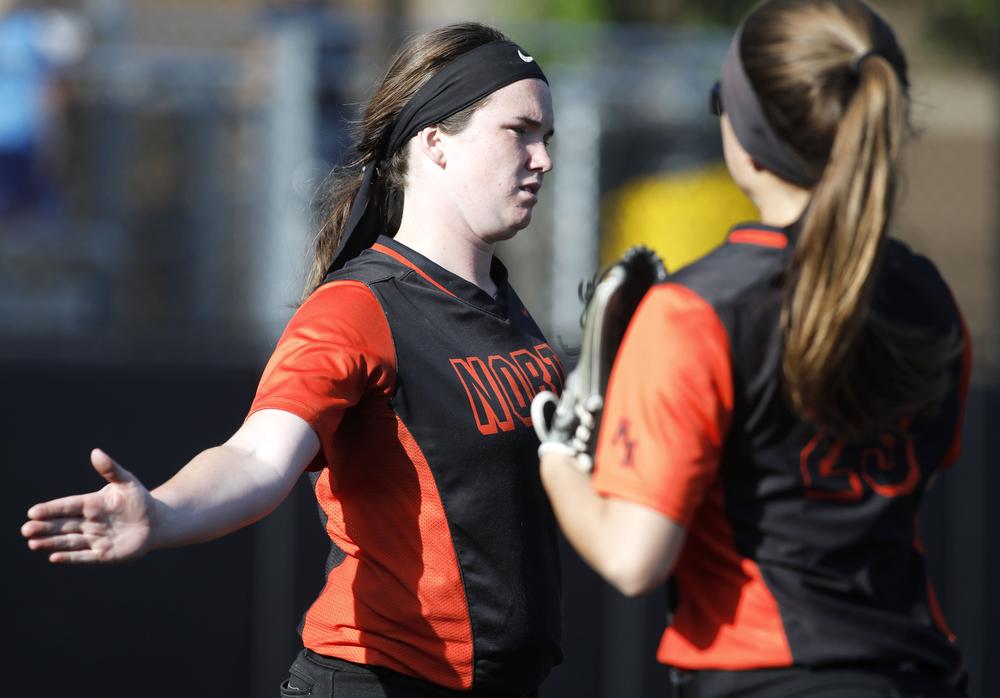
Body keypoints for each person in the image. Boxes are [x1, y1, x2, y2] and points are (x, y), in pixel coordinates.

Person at [22, 22, 563, 697]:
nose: (543, 158)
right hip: (379, 682)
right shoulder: (360, 306)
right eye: (521, 131)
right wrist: (162, 513)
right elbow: (255, 457)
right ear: (435, 143)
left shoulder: (508, 308)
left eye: (547, 138)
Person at [537, 1, 971, 697]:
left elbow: (631, 557)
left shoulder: (695, 312)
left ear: (746, 131)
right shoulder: (929, 296)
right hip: (917, 672)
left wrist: (559, 454)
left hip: (766, 679)